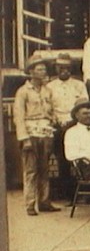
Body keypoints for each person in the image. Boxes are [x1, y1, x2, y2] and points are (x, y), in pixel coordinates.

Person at [13, 55, 60, 216]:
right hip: (31, 132)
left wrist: (53, 121)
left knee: (44, 169)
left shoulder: (47, 91)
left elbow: (51, 110)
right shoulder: (23, 92)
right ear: (31, 72)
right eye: (39, 69)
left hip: (45, 132)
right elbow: (19, 116)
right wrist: (24, 138)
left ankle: (44, 201)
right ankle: (30, 204)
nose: (43, 72)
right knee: (31, 170)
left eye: (44, 69)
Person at [47, 53, 88, 197]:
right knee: (62, 159)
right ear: (56, 68)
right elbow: (48, 108)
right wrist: (56, 121)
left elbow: (83, 107)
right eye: (61, 67)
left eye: (67, 67)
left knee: (79, 157)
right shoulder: (49, 87)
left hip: (75, 125)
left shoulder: (79, 85)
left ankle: (83, 191)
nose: (64, 70)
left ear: (71, 68)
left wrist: (73, 122)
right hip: (58, 127)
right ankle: (67, 193)